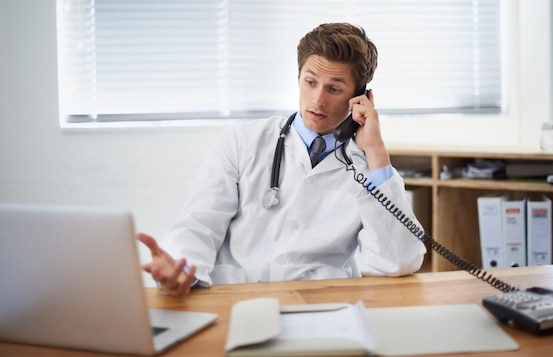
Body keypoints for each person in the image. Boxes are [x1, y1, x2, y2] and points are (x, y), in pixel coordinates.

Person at [139, 22, 427, 296]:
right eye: (310, 82)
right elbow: (200, 224)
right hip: (237, 298)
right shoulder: (243, 141)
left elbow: (400, 260)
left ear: (361, 97)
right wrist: (180, 268)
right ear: (298, 78)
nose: (317, 100)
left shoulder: (367, 168)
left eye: (334, 89)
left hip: (322, 309)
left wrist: (375, 150)